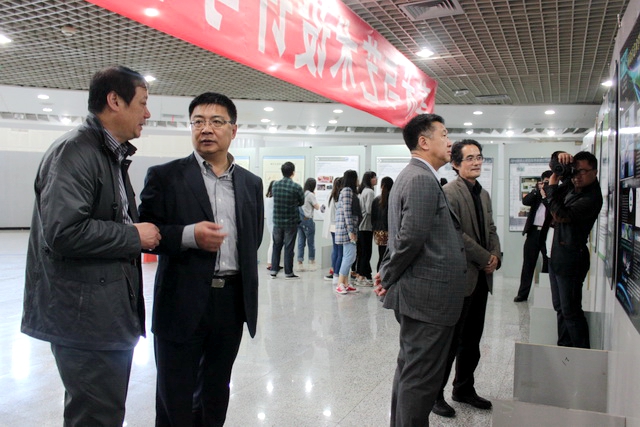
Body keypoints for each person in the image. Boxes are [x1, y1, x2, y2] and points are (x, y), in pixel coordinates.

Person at [21, 65, 161, 426]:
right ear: (114, 101)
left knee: (105, 412)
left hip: (104, 315)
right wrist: (134, 236)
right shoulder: (75, 152)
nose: (147, 114)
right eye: (142, 103)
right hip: (83, 320)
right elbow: (64, 232)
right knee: (96, 417)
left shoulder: (109, 154)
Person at [138, 92, 264, 426]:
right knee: (175, 393)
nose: (206, 129)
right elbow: (145, 234)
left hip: (230, 302)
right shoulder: (165, 176)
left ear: (233, 130)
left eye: (216, 122)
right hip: (181, 299)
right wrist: (189, 235)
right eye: (198, 122)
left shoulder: (250, 183)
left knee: (216, 389)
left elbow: (253, 238)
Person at [374, 113, 466, 426]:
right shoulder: (421, 179)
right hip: (428, 299)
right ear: (424, 142)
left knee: (411, 371)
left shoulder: (414, 176)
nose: (450, 142)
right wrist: (387, 277)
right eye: (444, 135)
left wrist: (387, 272)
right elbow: (410, 238)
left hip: (422, 295)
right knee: (421, 379)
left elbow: (404, 237)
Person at [433, 139, 501, 418]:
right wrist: (485, 257)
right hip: (460, 278)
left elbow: (491, 228)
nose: (476, 162)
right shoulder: (449, 193)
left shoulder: (483, 194)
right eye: (469, 158)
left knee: (472, 340)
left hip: (481, 279)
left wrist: (495, 256)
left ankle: (463, 388)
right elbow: (455, 234)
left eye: (479, 157)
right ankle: (435, 395)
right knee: (450, 342)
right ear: (455, 164)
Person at [544, 151, 603, 348]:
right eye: (574, 170)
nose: (577, 175)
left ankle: (581, 354)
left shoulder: (591, 197)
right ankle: (564, 349)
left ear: (595, 171)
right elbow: (555, 166)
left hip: (572, 259)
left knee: (571, 311)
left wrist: (552, 186)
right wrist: (559, 156)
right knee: (560, 308)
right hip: (558, 256)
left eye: (582, 171)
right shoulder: (573, 186)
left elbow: (561, 215)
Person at [514, 170, 553, 302]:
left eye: (549, 182)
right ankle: (522, 294)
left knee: (547, 263)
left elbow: (553, 209)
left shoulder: (555, 194)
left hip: (548, 232)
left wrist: (546, 195)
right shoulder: (536, 192)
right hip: (533, 232)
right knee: (528, 264)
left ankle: (545, 294)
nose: (546, 185)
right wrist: (537, 190)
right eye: (545, 182)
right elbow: (525, 201)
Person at [270, 161, 304, 280]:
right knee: (289, 248)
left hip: (277, 221)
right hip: (291, 221)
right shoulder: (297, 187)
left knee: (276, 246)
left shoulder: (275, 185)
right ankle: (288, 272)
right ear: (293, 173)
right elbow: (301, 202)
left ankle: (274, 270)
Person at [334, 169, 362, 294]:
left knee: (349, 256)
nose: (358, 180)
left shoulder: (349, 191)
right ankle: (340, 283)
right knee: (350, 256)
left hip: (349, 229)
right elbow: (347, 213)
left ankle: (345, 283)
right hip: (347, 230)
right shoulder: (346, 191)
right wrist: (351, 231)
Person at [354, 171, 377, 285]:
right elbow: (369, 210)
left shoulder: (363, 191)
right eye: (374, 177)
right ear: (370, 179)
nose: (376, 179)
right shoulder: (370, 192)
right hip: (366, 225)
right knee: (366, 252)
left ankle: (360, 274)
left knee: (362, 252)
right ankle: (362, 277)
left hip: (361, 225)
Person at [322, 177, 343, 284]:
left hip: (331, 226)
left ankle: (334, 271)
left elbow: (323, 209)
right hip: (338, 226)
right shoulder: (340, 196)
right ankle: (337, 274)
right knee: (340, 252)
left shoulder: (331, 195)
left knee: (335, 250)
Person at [297, 177, 320, 271]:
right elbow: (317, 207)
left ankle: (300, 263)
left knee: (300, 242)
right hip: (308, 220)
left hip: (300, 220)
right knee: (311, 243)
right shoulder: (310, 195)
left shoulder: (301, 193)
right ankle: (311, 263)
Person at [371, 176, 393, 272]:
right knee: (389, 256)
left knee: (381, 255)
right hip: (390, 231)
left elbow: (373, 217)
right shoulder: (392, 199)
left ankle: (378, 274)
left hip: (378, 231)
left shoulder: (376, 199)